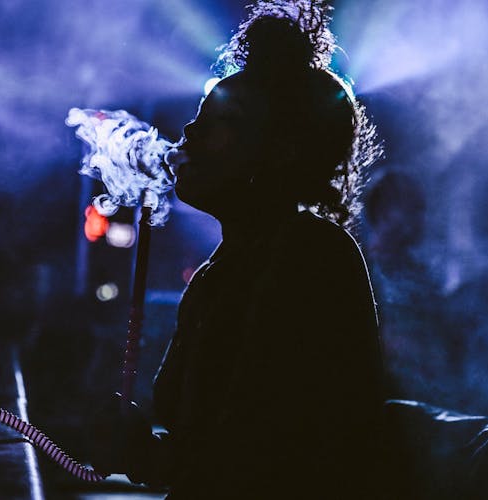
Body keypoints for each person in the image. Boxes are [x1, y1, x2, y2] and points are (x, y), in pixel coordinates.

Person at [89, 2, 385, 497]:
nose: (188, 133)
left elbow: (264, 461)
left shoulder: (309, 258)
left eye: (216, 122)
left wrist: (148, 454)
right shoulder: (226, 268)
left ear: (278, 149)